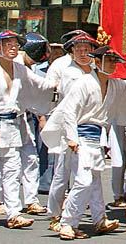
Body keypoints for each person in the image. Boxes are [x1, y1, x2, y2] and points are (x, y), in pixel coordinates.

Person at [42, 45, 126, 241]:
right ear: (97, 62)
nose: (112, 65)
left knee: (95, 180)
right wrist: (71, 137)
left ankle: (99, 219)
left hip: (97, 138)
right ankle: (67, 222)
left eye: (114, 61)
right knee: (83, 181)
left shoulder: (115, 85)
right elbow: (69, 111)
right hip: (80, 137)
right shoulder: (83, 83)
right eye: (108, 60)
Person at [0, 30, 56, 230]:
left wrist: (59, 85)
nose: (13, 47)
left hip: (13, 125)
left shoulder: (20, 68)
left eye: (16, 44)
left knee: (12, 171)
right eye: (8, 44)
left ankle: (14, 213)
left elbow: (39, 84)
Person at [46, 32, 98, 232]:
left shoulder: (94, 71)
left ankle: (88, 214)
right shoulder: (69, 72)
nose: (83, 53)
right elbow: (69, 107)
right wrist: (70, 135)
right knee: (62, 172)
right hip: (69, 127)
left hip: (88, 129)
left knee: (85, 174)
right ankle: (55, 214)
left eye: (87, 50)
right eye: (79, 50)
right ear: (72, 52)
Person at [18, 33, 52, 215]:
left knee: (30, 158)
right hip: (2, 118)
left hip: (23, 117)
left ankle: (31, 200)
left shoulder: (27, 69)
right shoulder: (13, 65)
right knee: (3, 163)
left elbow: (38, 87)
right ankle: (2, 201)